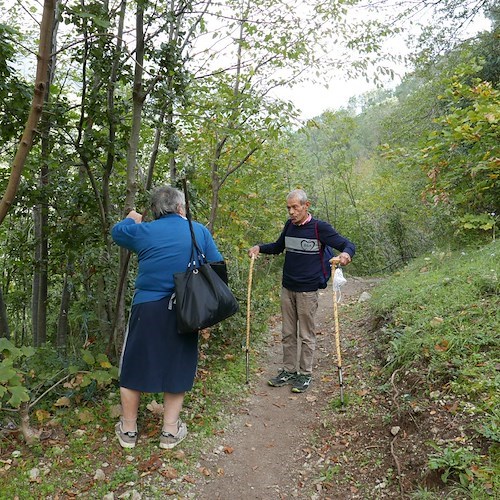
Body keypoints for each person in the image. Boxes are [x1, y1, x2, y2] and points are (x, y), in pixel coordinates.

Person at [111, 185, 224, 449]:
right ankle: (170, 432)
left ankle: (128, 431)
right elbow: (217, 265)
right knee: (177, 365)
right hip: (186, 310)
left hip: (147, 309)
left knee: (133, 365)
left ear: (155, 210)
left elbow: (117, 232)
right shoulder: (198, 231)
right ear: (181, 207)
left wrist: (132, 217)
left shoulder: (144, 231)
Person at [248, 189, 355, 393]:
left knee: (306, 334)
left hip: (308, 290)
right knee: (288, 332)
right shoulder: (289, 226)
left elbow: (347, 244)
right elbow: (278, 247)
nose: (291, 212)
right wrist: (259, 248)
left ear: (306, 206)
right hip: (288, 287)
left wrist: (346, 255)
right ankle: (288, 370)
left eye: (295, 207)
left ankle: (304, 374)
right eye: (288, 208)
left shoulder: (319, 228)